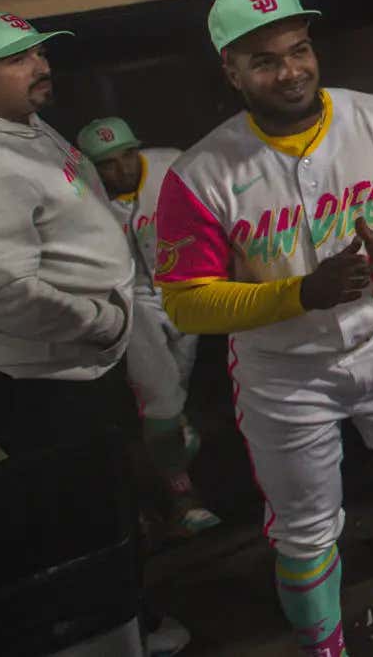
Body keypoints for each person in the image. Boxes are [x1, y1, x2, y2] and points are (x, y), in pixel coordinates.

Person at [155, 0, 373, 657]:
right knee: (305, 527)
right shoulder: (199, 172)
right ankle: (324, 645)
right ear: (231, 71)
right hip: (284, 371)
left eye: (299, 49)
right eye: (265, 60)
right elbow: (187, 300)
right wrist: (300, 294)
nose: (291, 69)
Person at [0, 12, 190, 656]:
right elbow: (1, 294)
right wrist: (104, 321)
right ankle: (103, 637)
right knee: (76, 522)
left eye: (38, 52)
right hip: (38, 380)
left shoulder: (18, 127)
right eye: (17, 60)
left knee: (97, 505)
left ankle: (123, 617)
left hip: (70, 366)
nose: (40, 66)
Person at [76, 117, 221, 538]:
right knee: (158, 397)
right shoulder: (78, 197)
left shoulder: (174, 167)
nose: (120, 168)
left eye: (126, 154)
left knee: (175, 385)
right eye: (106, 163)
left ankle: (175, 427)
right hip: (130, 297)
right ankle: (184, 498)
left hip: (182, 286)